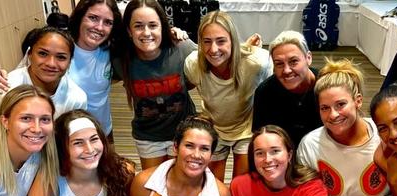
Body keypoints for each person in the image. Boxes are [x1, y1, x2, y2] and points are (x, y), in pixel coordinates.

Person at [297, 58, 397, 196]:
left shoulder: (383, 135)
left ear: (358, 101)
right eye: (325, 108)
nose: (333, 115)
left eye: (341, 104)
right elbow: (308, 195)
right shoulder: (310, 145)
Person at [184, 10, 272, 181]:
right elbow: (183, 89)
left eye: (221, 41)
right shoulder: (193, 64)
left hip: (246, 129)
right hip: (214, 127)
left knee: (240, 187)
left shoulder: (257, 62)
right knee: (211, 186)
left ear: (233, 41)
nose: (213, 49)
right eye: (207, 42)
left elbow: (273, 90)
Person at [113, 0, 197, 170]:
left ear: (163, 27)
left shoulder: (181, 47)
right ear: (129, 31)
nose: (146, 32)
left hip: (183, 132)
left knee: (180, 187)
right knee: (154, 188)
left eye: (153, 25)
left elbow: (211, 61)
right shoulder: (120, 59)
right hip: (148, 135)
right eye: (138, 26)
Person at [0, 26, 87, 136]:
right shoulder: (5, 89)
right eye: (43, 54)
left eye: (61, 57)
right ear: (29, 54)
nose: (51, 63)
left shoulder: (76, 98)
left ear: (70, 62)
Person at [129, 115, 232, 196]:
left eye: (204, 149)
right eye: (189, 146)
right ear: (175, 147)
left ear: (211, 155)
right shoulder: (143, 182)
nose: (196, 155)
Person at [55, 109, 135, 196]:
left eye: (94, 139)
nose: (90, 149)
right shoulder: (53, 183)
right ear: (62, 149)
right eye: (78, 143)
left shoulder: (122, 172)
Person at [252, 30, 322, 150]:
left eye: (293, 61)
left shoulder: (328, 85)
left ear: (308, 58)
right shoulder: (265, 93)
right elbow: (261, 139)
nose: (287, 70)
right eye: (279, 64)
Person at [66, 0, 124, 139]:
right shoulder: (60, 49)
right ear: (80, 17)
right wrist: (3, 75)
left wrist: (172, 33)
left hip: (103, 130)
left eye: (108, 22)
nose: (99, 27)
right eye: (93, 18)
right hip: (69, 135)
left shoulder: (111, 50)